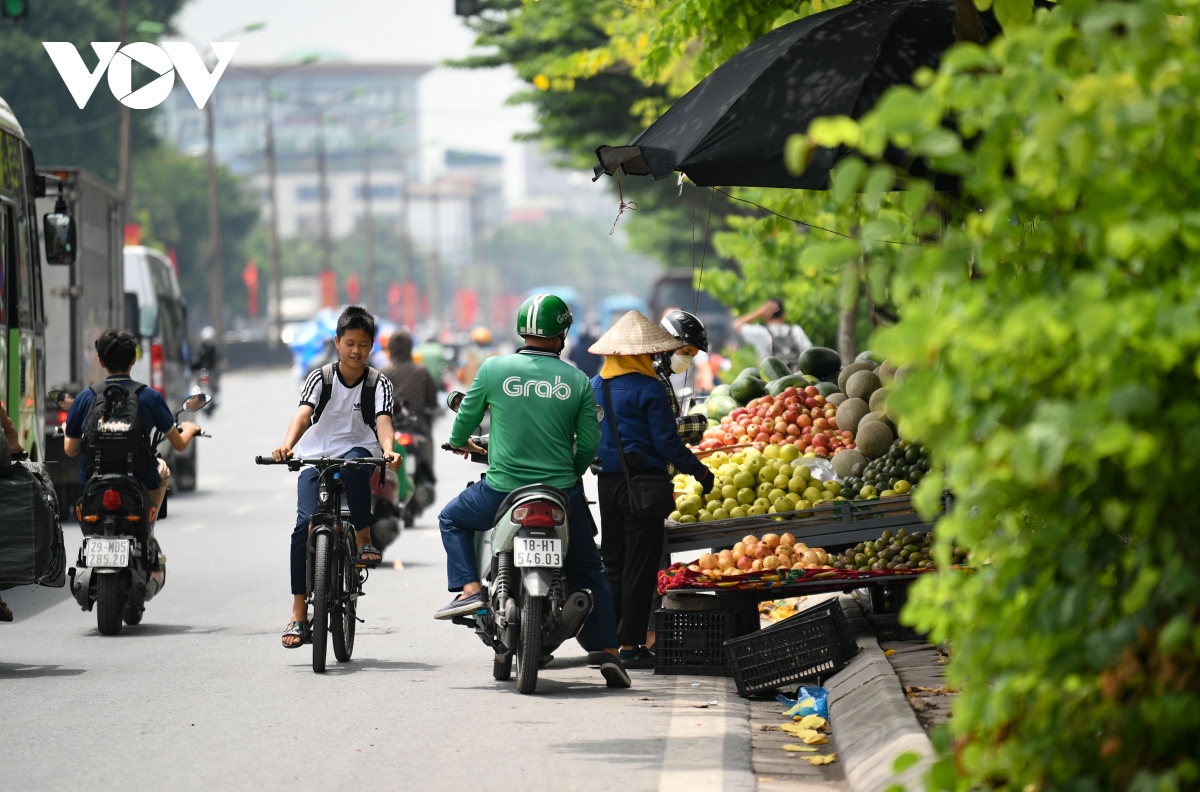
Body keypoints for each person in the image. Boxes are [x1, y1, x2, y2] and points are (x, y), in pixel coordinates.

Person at [435, 293, 631, 688]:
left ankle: (471, 590)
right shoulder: (576, 380)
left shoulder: (494, 369)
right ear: (562, 334)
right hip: (560, 493)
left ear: (521, 328)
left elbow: (463, 425)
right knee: (588, 568)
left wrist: (464, 443)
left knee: (451, 519)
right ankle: (608, 651)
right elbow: (589, 444)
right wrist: (570, 476)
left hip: (502, 490)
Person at [271, 306, 403, 649]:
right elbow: (303, 415)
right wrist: (287, 446)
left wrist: (388, 449)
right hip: (316, 457)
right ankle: (299, 613)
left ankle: (362, 538)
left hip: (359, 451)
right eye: (349, 343)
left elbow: (384, 422)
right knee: (303, 527)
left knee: (354, 466)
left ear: (371, 346)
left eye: (362, 344)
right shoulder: (321, 378)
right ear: (337, 342)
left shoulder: (378, 382)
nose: (355, 350)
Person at [590, 311, 716, 669]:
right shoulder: (648, 388)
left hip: (607, 484)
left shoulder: (595, 385)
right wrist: (700, 472)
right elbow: (667, 444)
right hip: (644, 487)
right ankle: (631, 647)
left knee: (613, 564)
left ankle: (609, 644)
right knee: (640, 568)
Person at [63, 330, 201, 521]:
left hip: (94, 476)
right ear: (133, 360)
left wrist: (65, 431)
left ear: (101, 362)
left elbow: (71, 450)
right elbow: (178, 445)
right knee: (164, 469)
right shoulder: (151, 397)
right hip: (140, 474)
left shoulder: (86, 398)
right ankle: (148, 522)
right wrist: (190, 429)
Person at [381, 328, 439, 479]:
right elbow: (432, 401)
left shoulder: (383, 372)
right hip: (418, 425)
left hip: (389, 428)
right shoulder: (421, 371)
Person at [655, 309, 712, 447]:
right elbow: (666, 430)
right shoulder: (656, 376)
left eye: (692, 356)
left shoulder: (663, 373)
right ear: (669, 344)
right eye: (686, 352)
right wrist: (700, 422)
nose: (689, 361)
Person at [734, 298, 813, 370]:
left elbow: (736, 326)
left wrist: (759, 313)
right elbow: (809, 354)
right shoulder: (796, 330)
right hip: (798, 382)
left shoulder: (761, 332)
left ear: (766, 316)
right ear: (784, 316)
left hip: (772, 384)